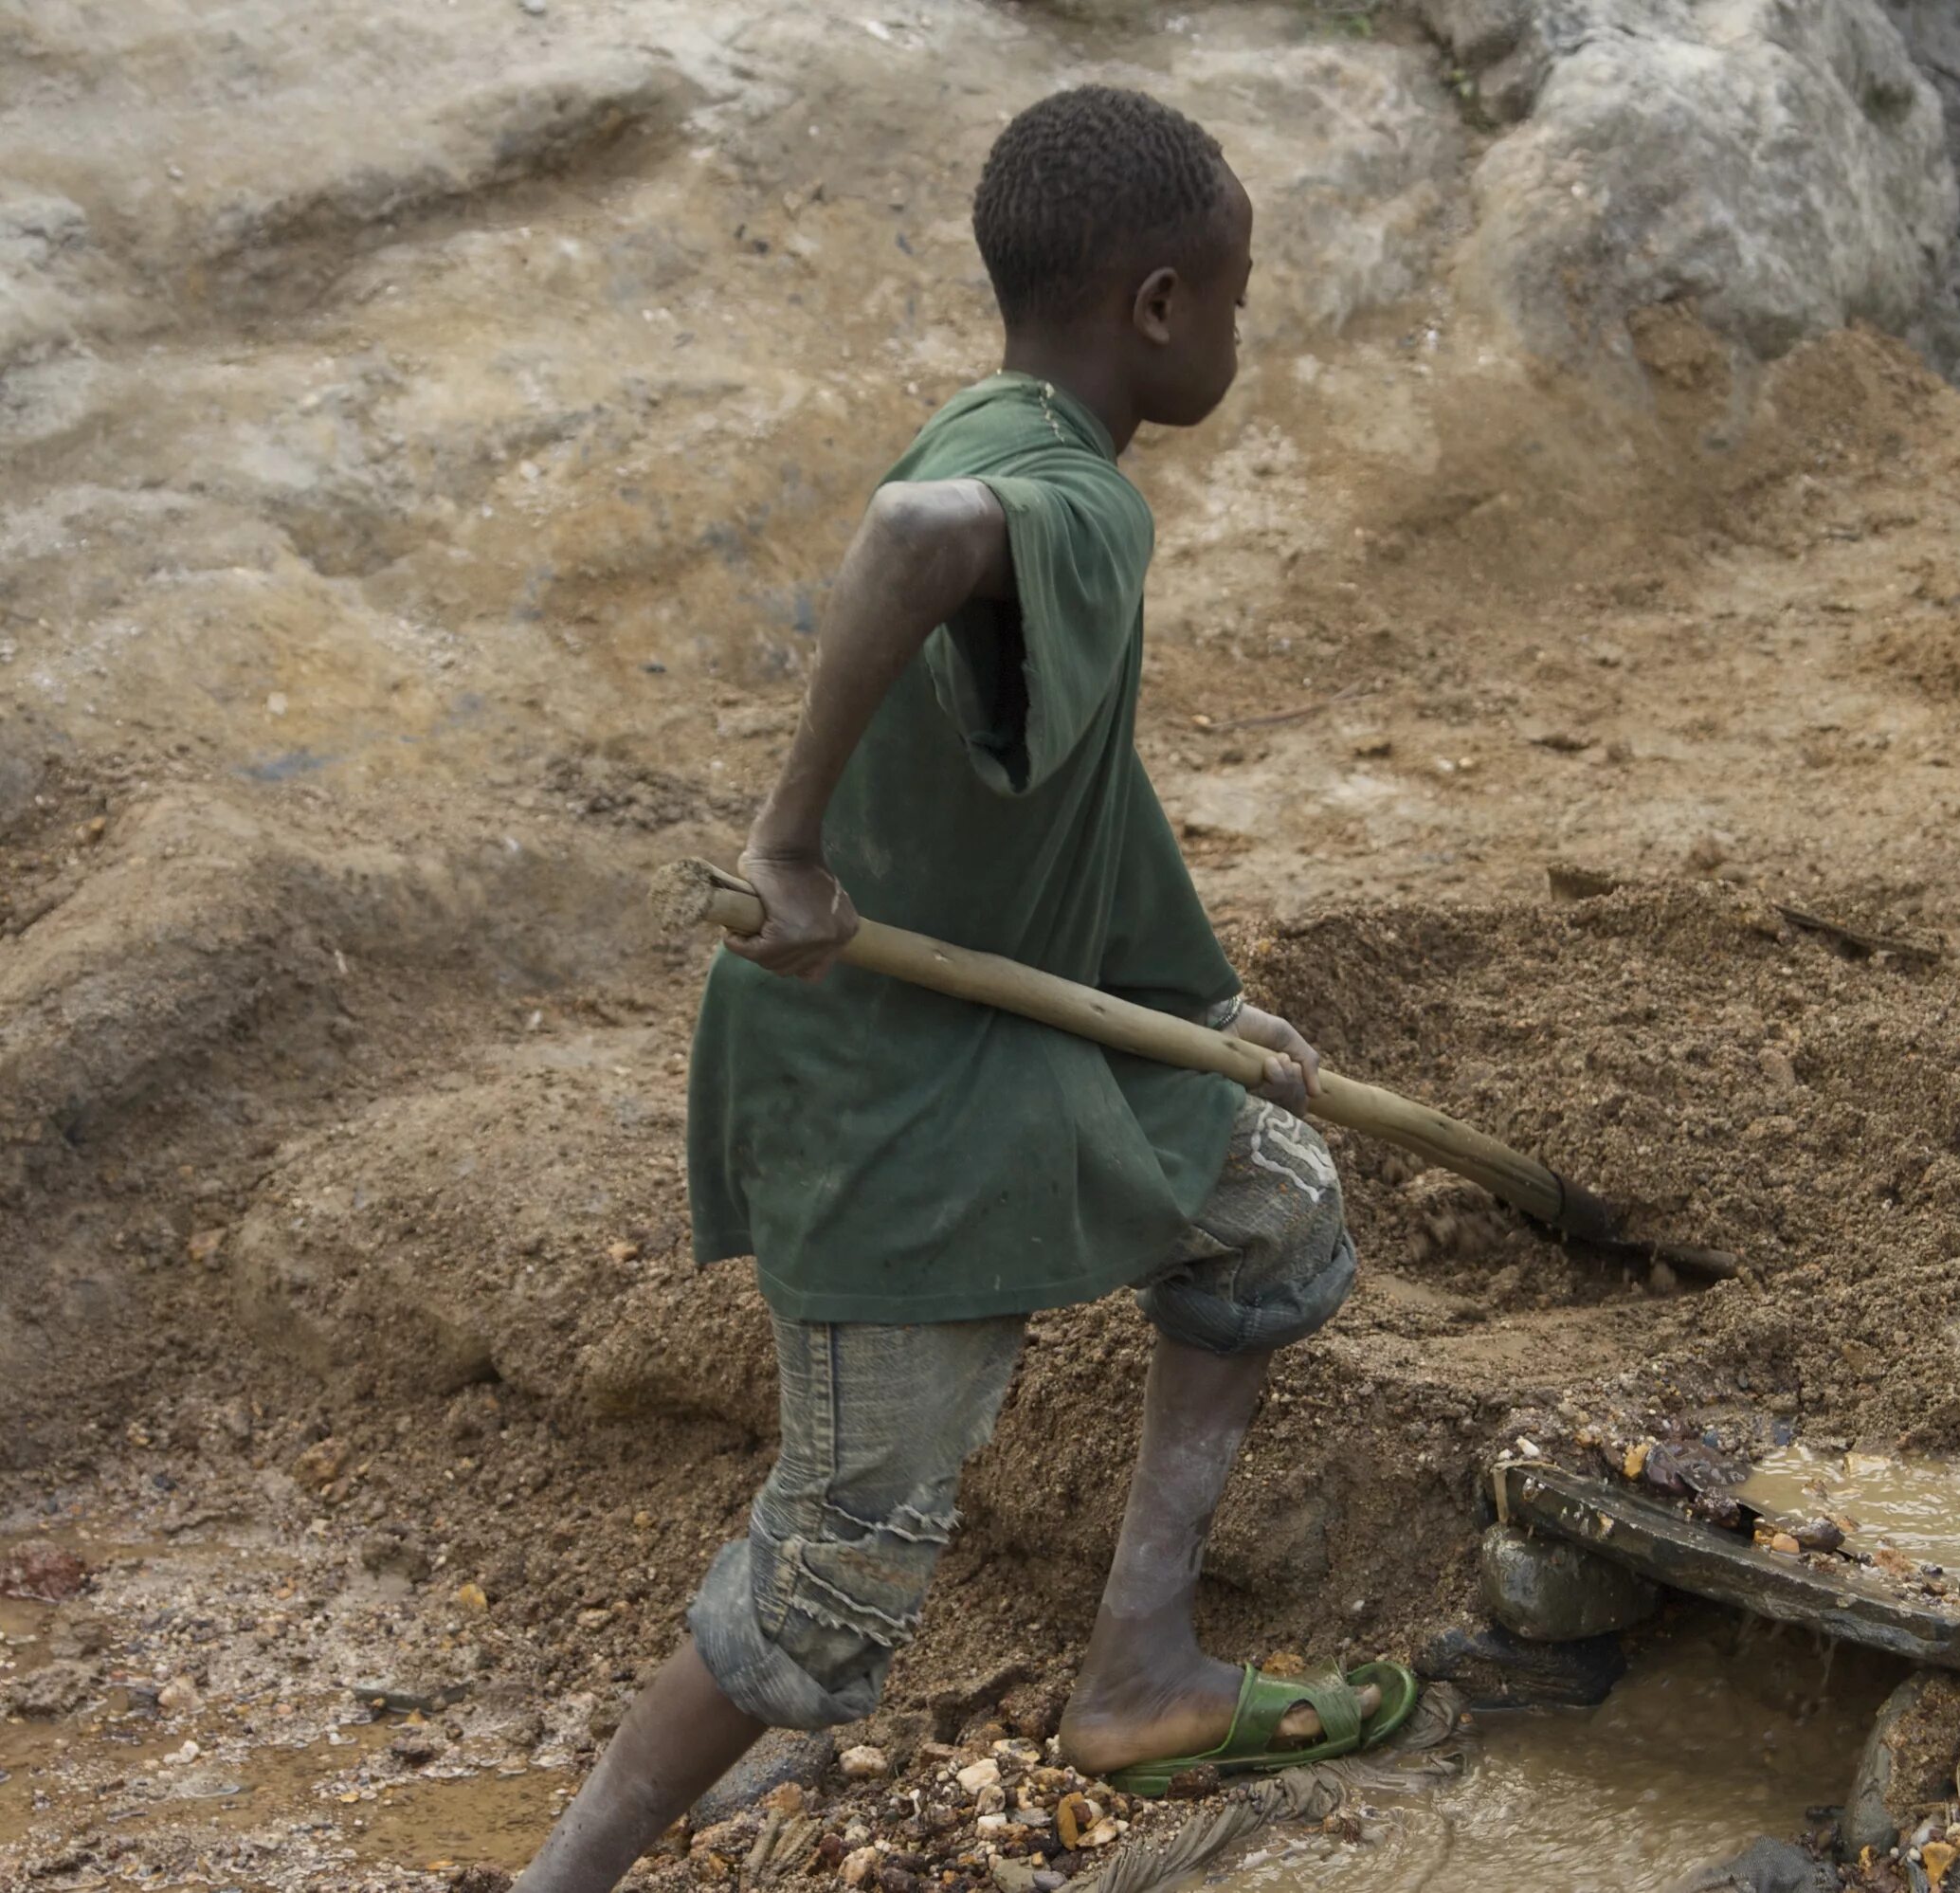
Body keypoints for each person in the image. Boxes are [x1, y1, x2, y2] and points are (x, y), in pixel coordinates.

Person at [513, 85, 1416, 1893]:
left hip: (1009, 1038)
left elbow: (1072, 797)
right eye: (1235, 294)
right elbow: (912, 532)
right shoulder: (1063, 495)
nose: (1243, 328)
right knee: (840, 1575)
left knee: (1272, 1215)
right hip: (897, 1105)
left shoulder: (1025, 435)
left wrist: (1199, 1000)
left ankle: (1141, 1671)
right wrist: (782, 844)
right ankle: (569, 1870)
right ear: (1161, 307)